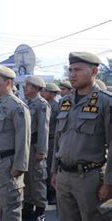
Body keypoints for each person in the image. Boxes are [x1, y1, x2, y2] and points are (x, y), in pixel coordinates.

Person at [51, 52, 112, 221]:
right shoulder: (65, 102)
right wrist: (54, 171)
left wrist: (109, 182)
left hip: (90, 179)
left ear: (94, 72)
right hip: (64, 176)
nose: (72, 74)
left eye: (77, 69)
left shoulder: (106, 102)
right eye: (70, 70)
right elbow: (58, 140)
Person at [0, 65, 31, 221]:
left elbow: (24, 139)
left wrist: (19, 166)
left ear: (8, 83)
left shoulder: (17, 106)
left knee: (11, 207)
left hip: (7, 165)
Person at [22, 76, 50, 221]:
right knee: (26, 179)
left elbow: (43, 129)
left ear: (36, 88)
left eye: (28, 86)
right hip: (25, 147)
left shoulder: (42, 104)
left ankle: (40, 210)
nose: (25, 88)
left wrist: (41, 151)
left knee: (37, 179)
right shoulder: (26, 103)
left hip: (35, 147)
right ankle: (27, 206)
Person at [40, 82, 60, 205]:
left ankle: (51, 192)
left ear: (52, 94)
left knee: (50, 167)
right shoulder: (44, 104)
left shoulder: (56, 106)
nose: (42, 93)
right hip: (45, 139)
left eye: (45, 91)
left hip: (52, 140)